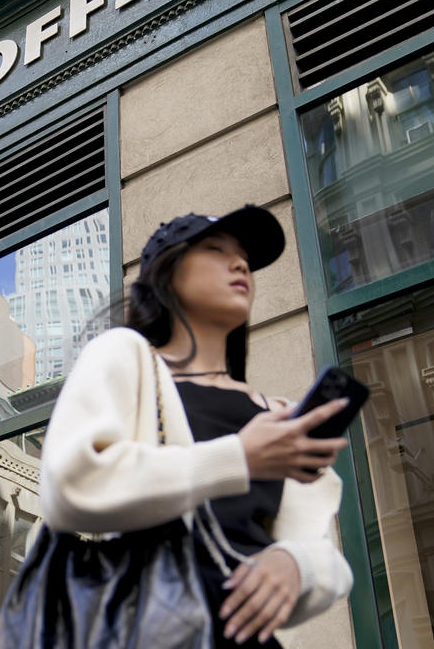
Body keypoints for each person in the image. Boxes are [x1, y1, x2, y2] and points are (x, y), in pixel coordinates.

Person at [40, 205, 354, 647]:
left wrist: (296, 564)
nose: (240, 263)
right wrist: (239, 458)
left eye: (243, 256)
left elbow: (323, 551)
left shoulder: (273, 412)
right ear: (166, 273)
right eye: (214, 249)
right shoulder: (125, 357)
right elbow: (71, 484)